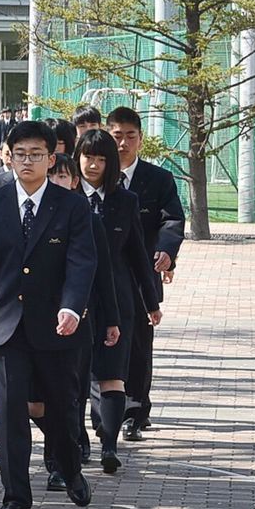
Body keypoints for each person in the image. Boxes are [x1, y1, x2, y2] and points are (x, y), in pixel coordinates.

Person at [0, 118, 97, 509]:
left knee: (60, 409)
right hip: (6, 325)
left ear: (51, 157)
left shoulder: (72, 205)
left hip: (57, 326)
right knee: (10, 414)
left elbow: (82, 262)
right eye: (19, 154)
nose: (27, 161)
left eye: (36, 155)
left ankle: (70, 468)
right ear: (8, 157)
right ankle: (15, 496)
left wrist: (72, 307)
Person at [74, 128, 157, 477]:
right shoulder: (65, 198)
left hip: (117, 302)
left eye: (100, 158)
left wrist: (150, 302)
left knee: (112, 376)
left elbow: (139, 255)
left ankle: (109, 445)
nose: (93, 164)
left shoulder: (125, 201)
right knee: (74, 378)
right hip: (73, 302)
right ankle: (78, 440)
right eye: (87, 156)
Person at [105, 108, 185, 439]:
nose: (123, 143)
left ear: (140, 139)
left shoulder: (158, 179)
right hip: (102, 277)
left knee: (138, 345)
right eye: (116, 136)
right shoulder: (94, 176)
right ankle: (104, 407)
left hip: (141, 277)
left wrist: (167, 252)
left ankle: (134, 412)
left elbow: (172, 220)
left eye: (130, 136)